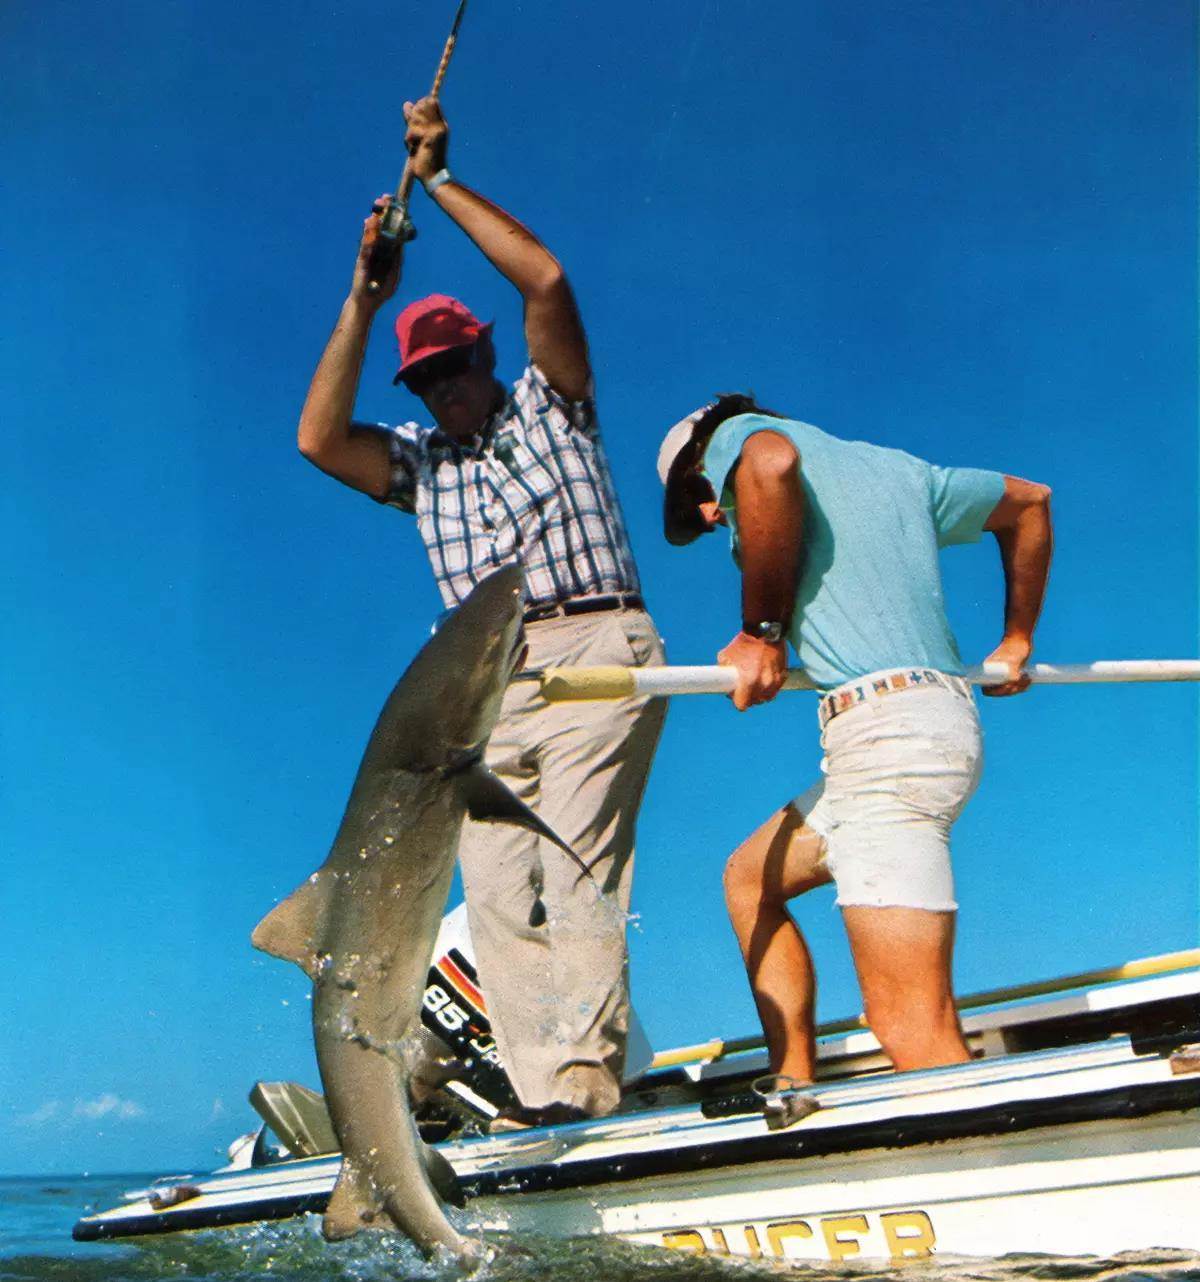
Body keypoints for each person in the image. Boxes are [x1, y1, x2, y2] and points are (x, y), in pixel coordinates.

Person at [298, 95, 666, 1127]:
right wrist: (365, 304)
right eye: (425, 382)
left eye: (456, 368)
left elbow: (545, 276)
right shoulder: (418, 466)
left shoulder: (558, 402)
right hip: (487, 690)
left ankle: (588, 1088)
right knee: (498, 887)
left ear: (486, 356)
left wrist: (443, 178)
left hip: (596, 643)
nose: (444, 392)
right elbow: (319, 440)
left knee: (575, 855)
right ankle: (547, 1092)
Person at [657, 395, 1052, 1127]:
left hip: (888, 742)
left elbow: (769, 464)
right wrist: (1017, 637)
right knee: (750, 879)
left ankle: (994, 1188)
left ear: (708, 453)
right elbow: (1030, 503)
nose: (712, 514)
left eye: (699, 492)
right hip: (914, 730)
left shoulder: (745, 440)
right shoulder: (898, 472)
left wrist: (762, 633)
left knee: (905, 1019)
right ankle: (793, 1088)